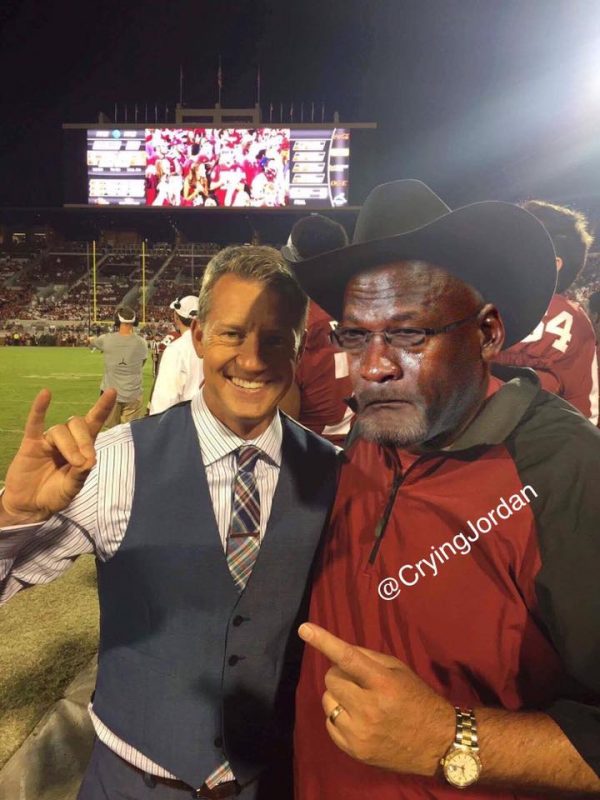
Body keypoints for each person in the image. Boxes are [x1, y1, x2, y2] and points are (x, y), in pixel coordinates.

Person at [291, 180, 600, 799]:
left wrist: (450, 737)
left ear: (487, 333)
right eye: (356, 335)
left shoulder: (563, 471)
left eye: (409, 335)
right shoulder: (372, 434)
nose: (374, 366)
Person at [0, 245, 339, 800]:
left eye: (276, 339)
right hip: (132, 782)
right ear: (198, 337)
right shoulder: (117, 460)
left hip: (271, 781)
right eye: (232, 334)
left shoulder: (333, 472)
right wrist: (13, 516)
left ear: (299, 348)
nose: (253, 360)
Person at [494, 200, 598, 423]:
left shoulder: (488, 298)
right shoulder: (577, 320)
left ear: (553, 264)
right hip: (544, 439)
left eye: (519, 242)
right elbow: (587, 411)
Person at [281, 214, 354, 444]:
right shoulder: (365, 312)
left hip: (313, 453)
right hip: (365, 452)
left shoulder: (299, 323)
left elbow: (281, 426)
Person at [89, 305, 147, 428]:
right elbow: (142, 363)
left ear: (117, 321)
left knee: (111, 432)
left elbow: (93, 341)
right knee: (129, 433)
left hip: (111, 395)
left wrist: (90, 339)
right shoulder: (142, 343)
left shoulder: (106, 340)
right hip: (133, 394)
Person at [149, 294, 204, 414]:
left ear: (176, 317)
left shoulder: (176, 349)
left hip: (187, 418)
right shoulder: (216, 345)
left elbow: (164, 402)